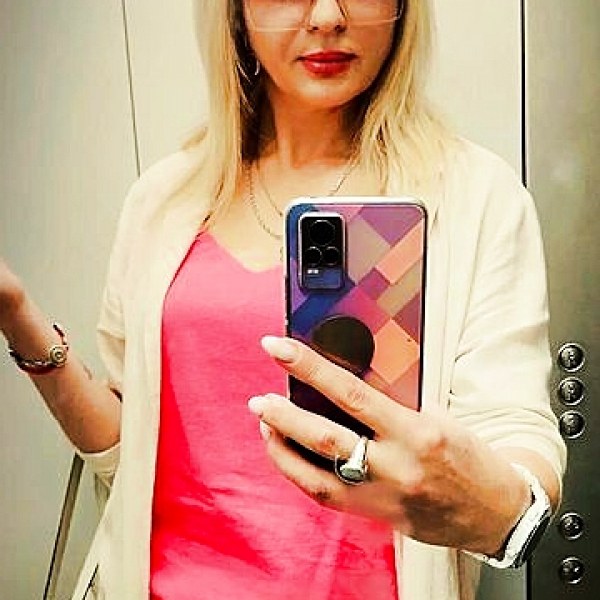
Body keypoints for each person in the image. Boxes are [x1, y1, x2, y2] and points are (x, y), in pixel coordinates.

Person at [0, 0, 566, 598]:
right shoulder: (163, 200)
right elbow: (128, 450)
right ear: (236, 12)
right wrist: (16, 313)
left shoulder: (473, 197)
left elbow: (515, 433)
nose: (326, 17)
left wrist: (501, 508)